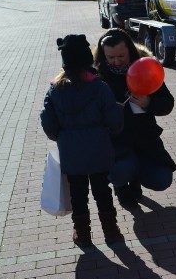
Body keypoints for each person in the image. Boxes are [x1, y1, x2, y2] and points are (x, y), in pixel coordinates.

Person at [39, 34, 125, 247]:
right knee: (102, 191)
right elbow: (114, 120)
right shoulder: (99, 87)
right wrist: (112, 129)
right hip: (99, 148)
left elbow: (47, 121)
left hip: (71, 150)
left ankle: (83, 234)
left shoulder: (55, 89)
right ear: (87, 59)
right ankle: (111, 231)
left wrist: (60, 136)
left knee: (78, 194)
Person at [94, 28, 176, 207]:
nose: (117, 61)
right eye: (111, 57)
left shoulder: (145, 67)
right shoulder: (97, 77)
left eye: (121, 56)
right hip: (116, 143)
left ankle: (137, 178)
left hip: (146, 139)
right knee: (119, 172)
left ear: (130, 51)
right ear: (103, 56)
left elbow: (167, 103)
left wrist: (148, 103)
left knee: (162, 179)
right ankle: (122, 186)